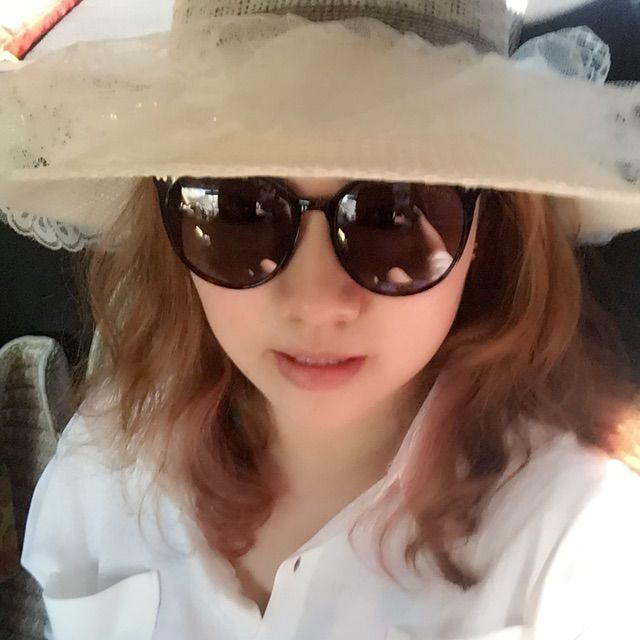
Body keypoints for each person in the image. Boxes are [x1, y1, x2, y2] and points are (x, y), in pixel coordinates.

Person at [1, 1, 639, 639]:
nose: (314, 303)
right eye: (238, 210)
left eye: (393, 215)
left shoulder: (576, 550)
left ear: (487, 233)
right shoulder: (108, 458)